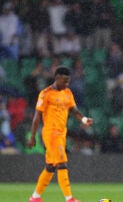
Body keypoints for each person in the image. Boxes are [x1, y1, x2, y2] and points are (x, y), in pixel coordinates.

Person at [27, 67, 93, 202]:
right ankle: (69, 199)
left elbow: (74, 111)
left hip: (62, 134)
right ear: (57, 79)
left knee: (50, 167)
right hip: (51, 134)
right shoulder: (45, 94)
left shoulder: (67, 93)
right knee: (62, 163)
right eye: (64, 81)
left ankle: (35, 197)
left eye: (68, 82)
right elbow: (37, 116)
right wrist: (32, 136)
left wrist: (84, 119)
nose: (67, 84)